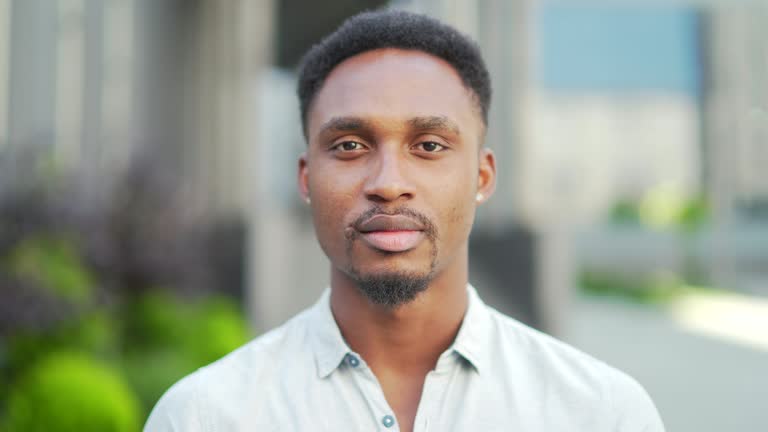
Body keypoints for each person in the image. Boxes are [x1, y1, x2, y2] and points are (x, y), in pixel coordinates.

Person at [145, 9, 664, 432]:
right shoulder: (204, 416)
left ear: (482, 176)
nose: (389, 182)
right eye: (350, 145)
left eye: (429, 145)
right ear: (305, 179)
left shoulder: (602, 413)